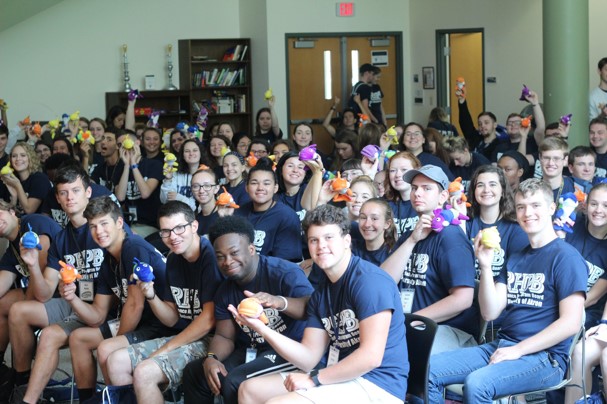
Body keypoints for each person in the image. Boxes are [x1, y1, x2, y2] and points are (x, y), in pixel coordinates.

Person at [427, 178, 587, 403]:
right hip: (503, 346)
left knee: (478, 383)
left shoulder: (566, 258)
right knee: (428, 369)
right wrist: (484, 264)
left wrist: (518, 350)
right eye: (521, 207)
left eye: (535, 205)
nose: (527, 212)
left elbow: (570, 323)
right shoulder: (517, 257)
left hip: (545, 358)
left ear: (552, 208)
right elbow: (490, 313)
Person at [235, 204, 408, 404]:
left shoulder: (369, 282)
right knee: (250, 390)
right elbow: (308, 357)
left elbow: (371, 357)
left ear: (347, 241)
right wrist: (260, 327)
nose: (321, 246)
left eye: (329, 238)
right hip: (340, 377)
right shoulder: (322, 292)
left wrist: (314, 379)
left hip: (377, 385)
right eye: (313, 240)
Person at [181, 215, 314, 404]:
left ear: (251, 249)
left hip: (289, 349)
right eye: (220, 257)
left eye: (234, 253)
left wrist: (278, 301)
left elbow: (310, 307)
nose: (228, 261)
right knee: (196, 372)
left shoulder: (284, 272)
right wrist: (211, 357)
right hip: (253, 349)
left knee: (235, 381)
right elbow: (225, 337)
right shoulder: (225, 290)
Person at [6, 166, 107, 402]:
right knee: (19, 310)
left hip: (103, 306)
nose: (70, 197)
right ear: (58, 200)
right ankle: (22, 387)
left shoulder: (103, 229)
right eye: (63, 193)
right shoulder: (61, 238)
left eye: (75, 190)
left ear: (88, 192)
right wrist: (32, 265)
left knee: (51, 335)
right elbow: (43, 294)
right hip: (75, 303)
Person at [105, 201, 222, 403]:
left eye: (179, 228)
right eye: (166, 231)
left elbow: (208, 320)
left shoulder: (210, 256)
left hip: (213, 340)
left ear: (194, 226)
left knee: (144, 372)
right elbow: (171, 318)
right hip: (182, 335)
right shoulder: (174, 259)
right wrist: (151, 296)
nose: (172, 237)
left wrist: (165, 350)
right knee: (116, 361)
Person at [64, 196, 171, 402]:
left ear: (119, 223)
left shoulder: (133, 246)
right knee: (78, 338)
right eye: (93, 226)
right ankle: (90, 400)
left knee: (107, 348)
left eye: (104, 223)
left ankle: (121, 399)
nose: (99, 231)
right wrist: (71, 298)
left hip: (161, 324)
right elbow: (97, 315)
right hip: (140, 323)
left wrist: (116, 341)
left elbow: (135, 305)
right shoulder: (107, 260)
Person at [381, 165, 477, 353]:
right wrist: (411, 241)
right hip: (411, 325)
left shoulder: (451, 237)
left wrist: (410, 321)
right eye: (415, 188)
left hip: (448, 330)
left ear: (442, 197)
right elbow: (384, 281)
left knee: (396, 353)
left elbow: (463, 299)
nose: (418, 193)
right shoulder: (410, 235)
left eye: (427, 188)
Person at [0, 204, 61, 397]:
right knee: (3, 304)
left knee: (18, 309)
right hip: (45, 294)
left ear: (11, 211)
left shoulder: (33, 222)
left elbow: (43, 278)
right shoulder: (12, 251)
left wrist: (28, 297)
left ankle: (22, 380)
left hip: (64, 292)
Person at [234, 157, 303, 262]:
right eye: (254, 183)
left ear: (275, 188)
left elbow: (284, 264)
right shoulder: (238, 213)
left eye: (266, 183)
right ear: (246, 187)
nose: (260, 188)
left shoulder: (287, 216)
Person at [114, 132, 164, 237]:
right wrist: (127, 165)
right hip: (128, 224)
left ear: (137, 143)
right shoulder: (120, 168)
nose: (123, 148)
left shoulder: (154, 165)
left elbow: (145, 193)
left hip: (150, 224)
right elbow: (120, 197)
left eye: (126, 143)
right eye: (120, 145)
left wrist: (134, 165)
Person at [0, 142, 51, 215]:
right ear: (10, 160)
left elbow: (29, 210)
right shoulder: (13, 179)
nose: (18, 159)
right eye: (14, 156)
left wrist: (17, 185)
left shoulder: (40, 179)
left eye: (23, 155)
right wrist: (12, 200)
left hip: (38, 224)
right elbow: (16, 213)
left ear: (30, 158)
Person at [456, 85, 502, 161]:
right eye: (480, 124)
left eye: (486, 123)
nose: (482, 126)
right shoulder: (475, 139)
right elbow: (465, 122)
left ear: (495, 125)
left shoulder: (500, 145)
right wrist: (462, 100)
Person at [160, 138, 209, 210]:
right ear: (182, 155)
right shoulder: (175, 174)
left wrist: (179, 198)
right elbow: (165, 200)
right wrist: (168, 179)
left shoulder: (207, 175)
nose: (191, 154)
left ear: (200, 153)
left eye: (195, 150)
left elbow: (200, 208)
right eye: (187, 151)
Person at [382, 151, 420, 238]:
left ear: (416, 171)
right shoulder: (384, 203)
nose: (398, 175)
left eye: (404, 170)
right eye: (393, 170)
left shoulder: (427, 201)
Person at [353, 198, 397, 266]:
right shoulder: (351, 249)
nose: (367, 224)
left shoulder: (394, 254)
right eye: (363, 217)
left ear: (387, 224)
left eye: (374, 218)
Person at [538, 136, 575, 204]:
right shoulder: (531, 190)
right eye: (546, 158)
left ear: (565, 160)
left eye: (556, 158)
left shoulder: (577, 188)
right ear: (540, 158)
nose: (551, 163)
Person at [191, 167, 220, 237]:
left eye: (207, 186)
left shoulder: (226, 215)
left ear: (216, 188)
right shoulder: (194, 220)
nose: (201, 191)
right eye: (196, 186)